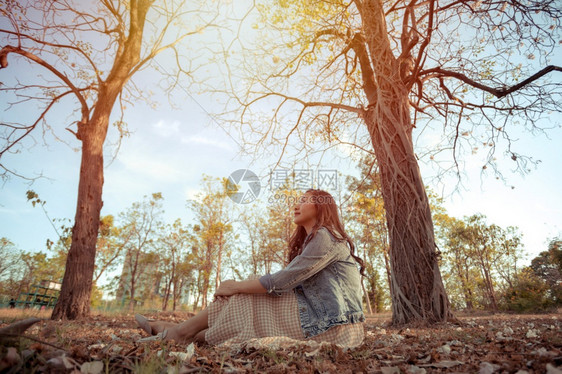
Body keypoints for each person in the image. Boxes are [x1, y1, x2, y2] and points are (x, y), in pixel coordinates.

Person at [135, 189, 366, 348]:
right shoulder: (314, 240)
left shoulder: (326, 237)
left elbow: (283, 281)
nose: (296, 205)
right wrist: (239, 288)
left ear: (321, 206)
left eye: (304, 199)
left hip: (338, 326)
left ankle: (180, 332)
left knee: (248, 291)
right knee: (245, 308)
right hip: (325, 319)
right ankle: (181, 331)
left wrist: (235, 286)